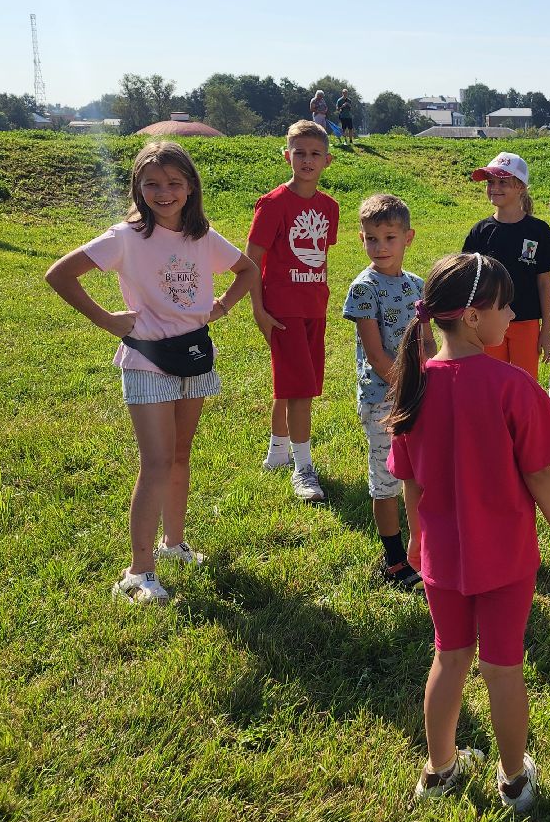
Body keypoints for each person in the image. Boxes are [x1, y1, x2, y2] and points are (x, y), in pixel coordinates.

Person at [388, 252, 550, 814]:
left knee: (449, 658)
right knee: (503, 666)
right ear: (474, 316)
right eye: (505, 305)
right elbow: (541, 476)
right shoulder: (512, 385)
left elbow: (409, 479)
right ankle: (515, 782)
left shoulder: (415, 382)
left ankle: (439, 770)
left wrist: (415, 538)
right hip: (505, 556)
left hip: (441, 556)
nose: (514, 313)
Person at [44, 141, 258, 603]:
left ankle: (174, 544)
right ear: (138, 187)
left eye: (174, 183)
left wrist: (220, 306)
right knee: (156, 463)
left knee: (180, 455)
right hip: (147, 360)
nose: (164, 193)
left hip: (195, 355)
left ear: (190, 188)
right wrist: (106, 319)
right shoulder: (125, 237)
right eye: (153, 184)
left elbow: (248, 270)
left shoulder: (202, 236)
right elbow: (59, 274)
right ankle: (139, 572)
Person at [246, 120, 340, 502]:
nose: (306, 160)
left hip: (313, 306)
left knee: (292, 382)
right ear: (287, 156)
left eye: (314, 154)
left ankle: (278, 453)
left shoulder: (329, 206)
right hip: (282, 310)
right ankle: (304, 469)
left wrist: (322, 298)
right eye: (299, 152)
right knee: (300, 389)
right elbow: (251, 259)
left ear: (327, 161)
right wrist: (258, 308)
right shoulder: (273, 204)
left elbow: (321, 257)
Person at [341, 193, 425, 590]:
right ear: (362, 239)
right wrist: (406, 388)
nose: (380, 248)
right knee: (386, 478)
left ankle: (421, 548)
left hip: (417, 395)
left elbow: (427, 345)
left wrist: (432, 382)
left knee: (419, 475)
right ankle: (393, 559)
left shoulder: (418, 287)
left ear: (408, 238)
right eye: (372, 239)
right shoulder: (363, 288)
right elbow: (375, 354)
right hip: (383, 399)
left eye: (389, 238)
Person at [462, 152, 550, 381]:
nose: (494, 188)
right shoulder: (480, 232)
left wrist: (545, 331)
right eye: (490, 182)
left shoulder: (538, 231)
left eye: (502, 182)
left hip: (526, 323)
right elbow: (467, 284)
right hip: (488, 323)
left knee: (524, 384)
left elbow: (544, 283)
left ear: (520, 187)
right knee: (491, 384)